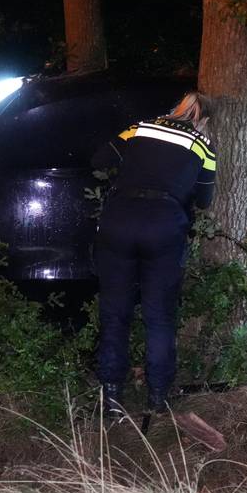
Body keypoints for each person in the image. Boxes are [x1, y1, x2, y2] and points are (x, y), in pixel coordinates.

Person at [90, 92, 216, 417]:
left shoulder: (139, 128)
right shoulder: (203, 146)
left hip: (119, 219)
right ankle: (157, 399)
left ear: (175, 109)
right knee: (159, 317)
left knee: (114, 313)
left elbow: (99, 160)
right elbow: (204, 200)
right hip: (163, 225)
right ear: (202, 119)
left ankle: (111, 400)